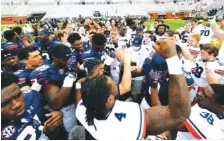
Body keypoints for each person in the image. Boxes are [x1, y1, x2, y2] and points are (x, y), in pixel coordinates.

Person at [76, 39, 191, 139]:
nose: (117, 85)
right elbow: (179, 114)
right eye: (113, 84)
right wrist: (172, 59)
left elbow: (80, 103)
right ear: (109, 100)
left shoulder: (82, 109)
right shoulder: (132, 121)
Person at [1, 72, 63, 140]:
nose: (17, 105)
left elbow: (50, 114)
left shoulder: (31, 96)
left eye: (18, 95)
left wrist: (57, 115)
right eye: (4, 103)